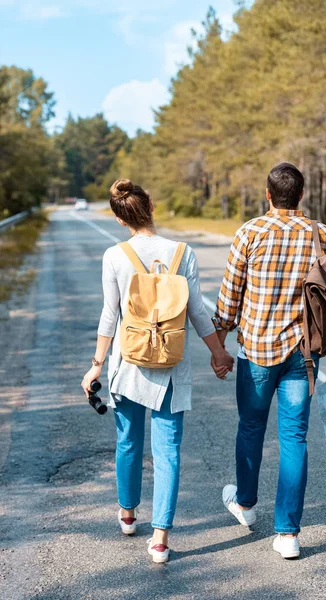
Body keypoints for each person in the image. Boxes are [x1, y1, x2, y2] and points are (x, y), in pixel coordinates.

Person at [81, 179, 233, 563]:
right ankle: (161, 538)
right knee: (168, 451)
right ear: (152, 206)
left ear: (119, 219)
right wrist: (218, 353)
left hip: (129, 363)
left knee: (128, 442)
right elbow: (197, 310)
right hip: (171, 363)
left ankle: (129, 514)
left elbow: (110, 315)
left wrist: (96, 366)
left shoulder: (115, 255)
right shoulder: (183, 253)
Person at [212, 162, 326, 559]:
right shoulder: (322, 235)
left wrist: (219, 348)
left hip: (257, 351)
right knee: (294, 438)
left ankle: (245, 504)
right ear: (302, 195)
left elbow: (229, 298)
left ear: (269, 194)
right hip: (303, 356)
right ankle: (288, 534)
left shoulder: (251, 232)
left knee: (251, 428)